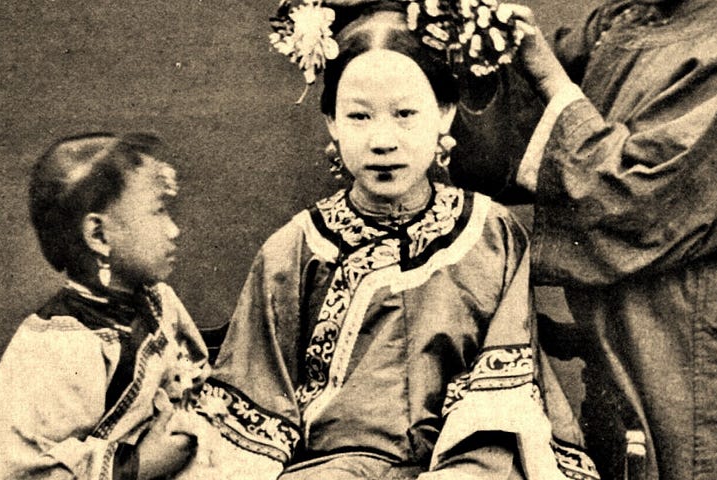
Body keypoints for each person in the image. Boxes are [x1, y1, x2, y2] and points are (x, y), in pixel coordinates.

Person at [171, 5, 597, 479]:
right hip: (331, 466)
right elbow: (254, 413)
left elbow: (500, 400)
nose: (382, 140)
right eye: (359, 116)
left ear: (445, 113)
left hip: (467, 463)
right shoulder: (293, 249)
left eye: (405, 114)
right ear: (332, 122)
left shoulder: (491, 234)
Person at [450, 0, 717, 478]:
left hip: (695, 364)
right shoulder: (618, 21)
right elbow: (512, 118)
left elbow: (629, 197)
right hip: (625, 348)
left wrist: (550, 76)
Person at [0, 133, 211, 480]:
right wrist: (138, 465)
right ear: (99, 236)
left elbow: (197, 375)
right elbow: (12, 470)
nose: (174, 230)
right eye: (158, 212)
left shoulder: (159, 301)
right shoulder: (61, 342)